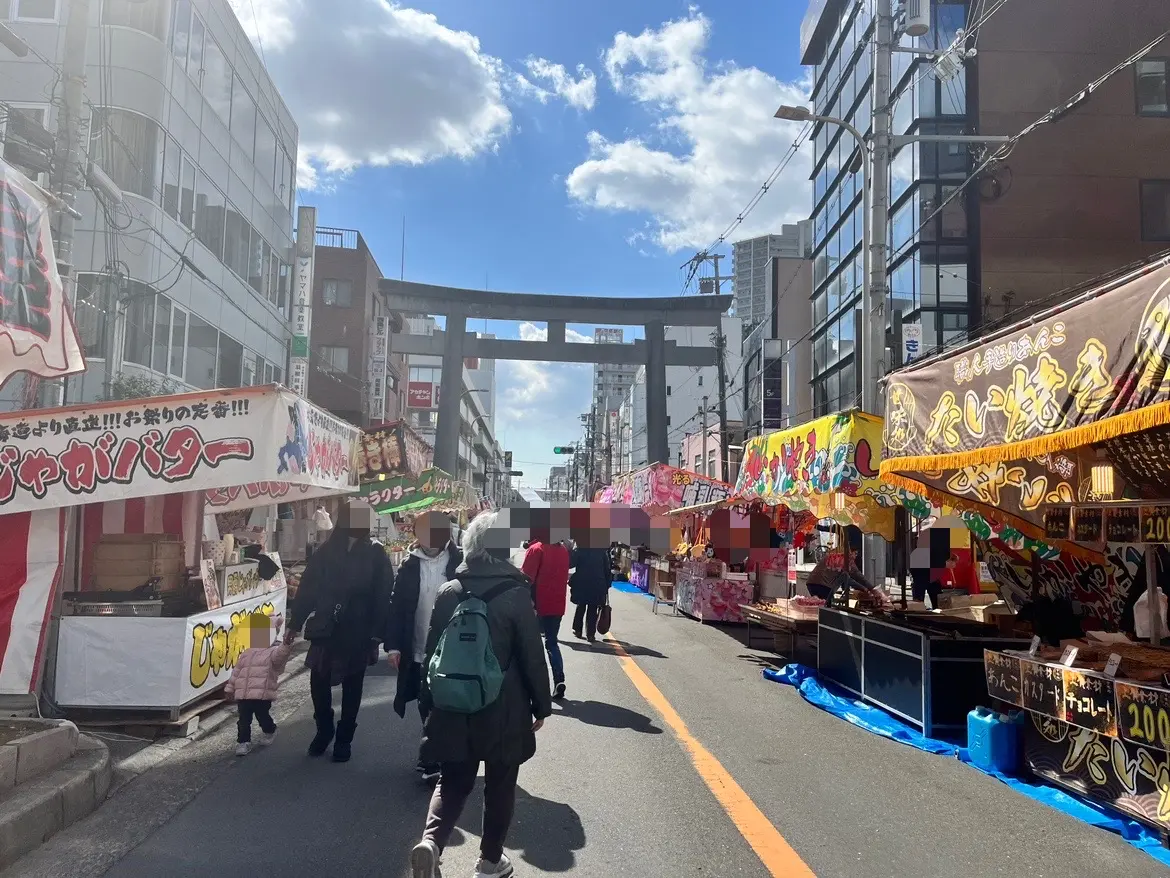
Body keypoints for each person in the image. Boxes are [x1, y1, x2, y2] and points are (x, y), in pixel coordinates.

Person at [409, 511, 553, 878]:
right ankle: (490, 862)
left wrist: (428, 702)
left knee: (452, 780)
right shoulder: (516, 595)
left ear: (470, 546)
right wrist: (541, 705)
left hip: (453, 703)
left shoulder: (449, 592)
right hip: (504, 708)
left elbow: (432, 654)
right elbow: (532, 656)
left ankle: (431, 843)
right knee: (500, 784)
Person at [290, 500, 394, 763]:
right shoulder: (327, 550)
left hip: (358, 629)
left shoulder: (376, 553)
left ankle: (344, 738)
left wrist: (377, 633)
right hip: (326, 626)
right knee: (318, 682)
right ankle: (324, 730)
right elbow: (308, 587)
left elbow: (383, 595)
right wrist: (295, 623)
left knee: (352, 685)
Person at [386, 510, 463, 784]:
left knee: (445, 701)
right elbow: (396, 607)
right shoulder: (409, 564)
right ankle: (432, 756)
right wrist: (393, 646)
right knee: (425, 699)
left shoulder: (459, 561)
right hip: (418, 643)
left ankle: (435, 753)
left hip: (452, 646)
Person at [225, 613, 293, 756]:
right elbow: (237, 672)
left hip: (262, 693)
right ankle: (243, 741)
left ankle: (270, 730)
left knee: (262, 716)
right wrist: (230, 688)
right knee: (243, 719)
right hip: (244, 694)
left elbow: (280, 656)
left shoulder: (273, 652)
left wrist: (286, 644)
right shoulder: (247, 653)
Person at [521, 533, 571, 700]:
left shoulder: (536, 549)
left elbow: (526, 580)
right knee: (552, 643)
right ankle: (559, 679)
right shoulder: (563, 550)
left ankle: (534, 687)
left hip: (536, 605)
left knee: (531, 647)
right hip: (557, 605)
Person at [806, 549, 890, 608]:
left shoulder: (833, 555)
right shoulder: (846, 559)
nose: (855, 556)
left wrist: (864, 588)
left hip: (811, 583)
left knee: (820, 605)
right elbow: (857, 576)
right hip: (824, 586)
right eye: (855, 553)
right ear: (851, 552)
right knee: (826, 608)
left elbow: (846, 578)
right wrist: (870, 589)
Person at [570, 544, 612, 643]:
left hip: (582, 583)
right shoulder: (601, 551)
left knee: (581, 606)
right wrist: (607, 585)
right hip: (597, 584)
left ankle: (577, 629)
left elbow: (571, 564)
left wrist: (571, 550)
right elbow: (607, 569)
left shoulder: (580, 549)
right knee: (593, 609)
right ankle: (590, 634)